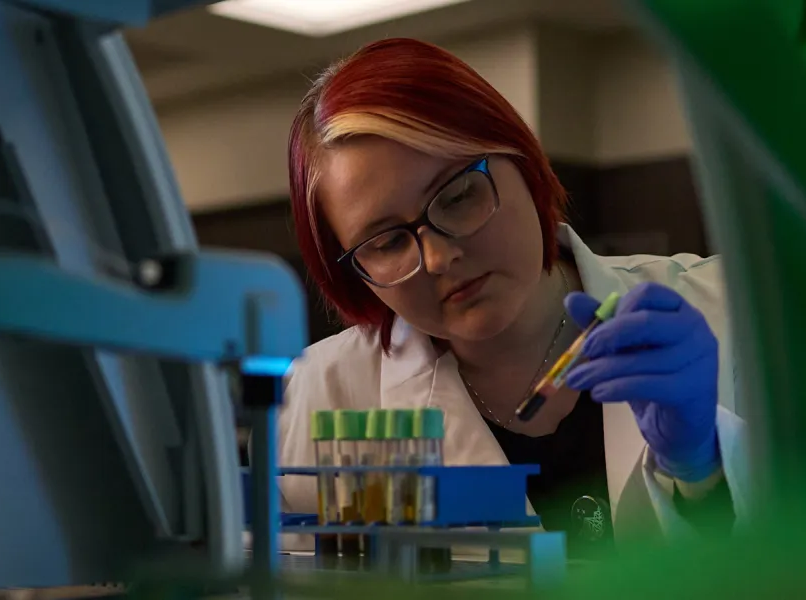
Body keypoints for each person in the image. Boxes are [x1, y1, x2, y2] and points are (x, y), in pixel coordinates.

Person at [277, 37, 750, 555]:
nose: (437, 259)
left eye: (458, 196)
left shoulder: (736, 313)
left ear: (523, 162)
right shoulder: (322, 396)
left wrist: (700, 469)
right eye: (386, 242)